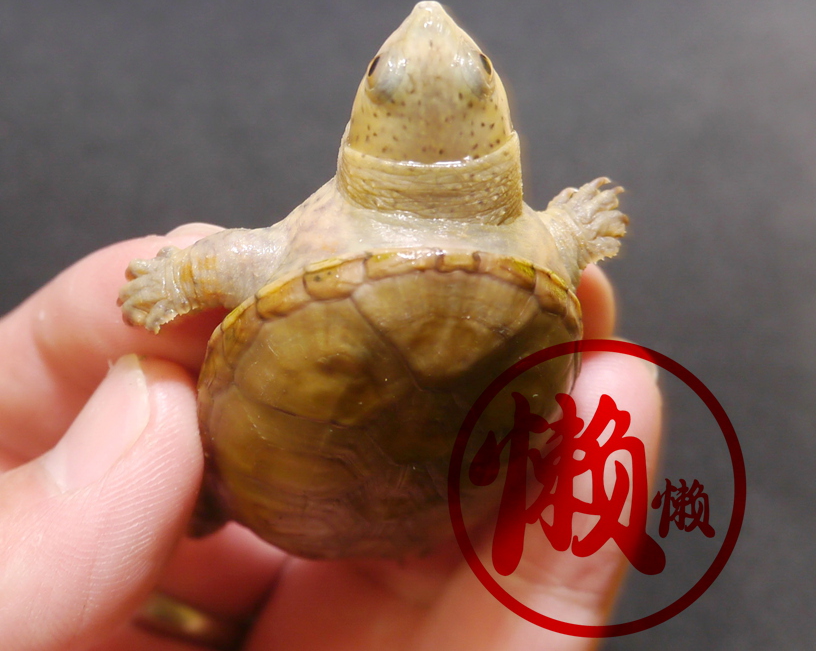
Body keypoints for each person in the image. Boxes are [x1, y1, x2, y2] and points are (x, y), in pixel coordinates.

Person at [0, 224, 661, 651]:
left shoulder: (520, 234)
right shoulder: (528, 239)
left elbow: (239, 264)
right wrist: (571, 228)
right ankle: (203, 502)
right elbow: (557, 249)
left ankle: (204, 502)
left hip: (329, 488)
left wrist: (178, 279)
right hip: (431, 518)